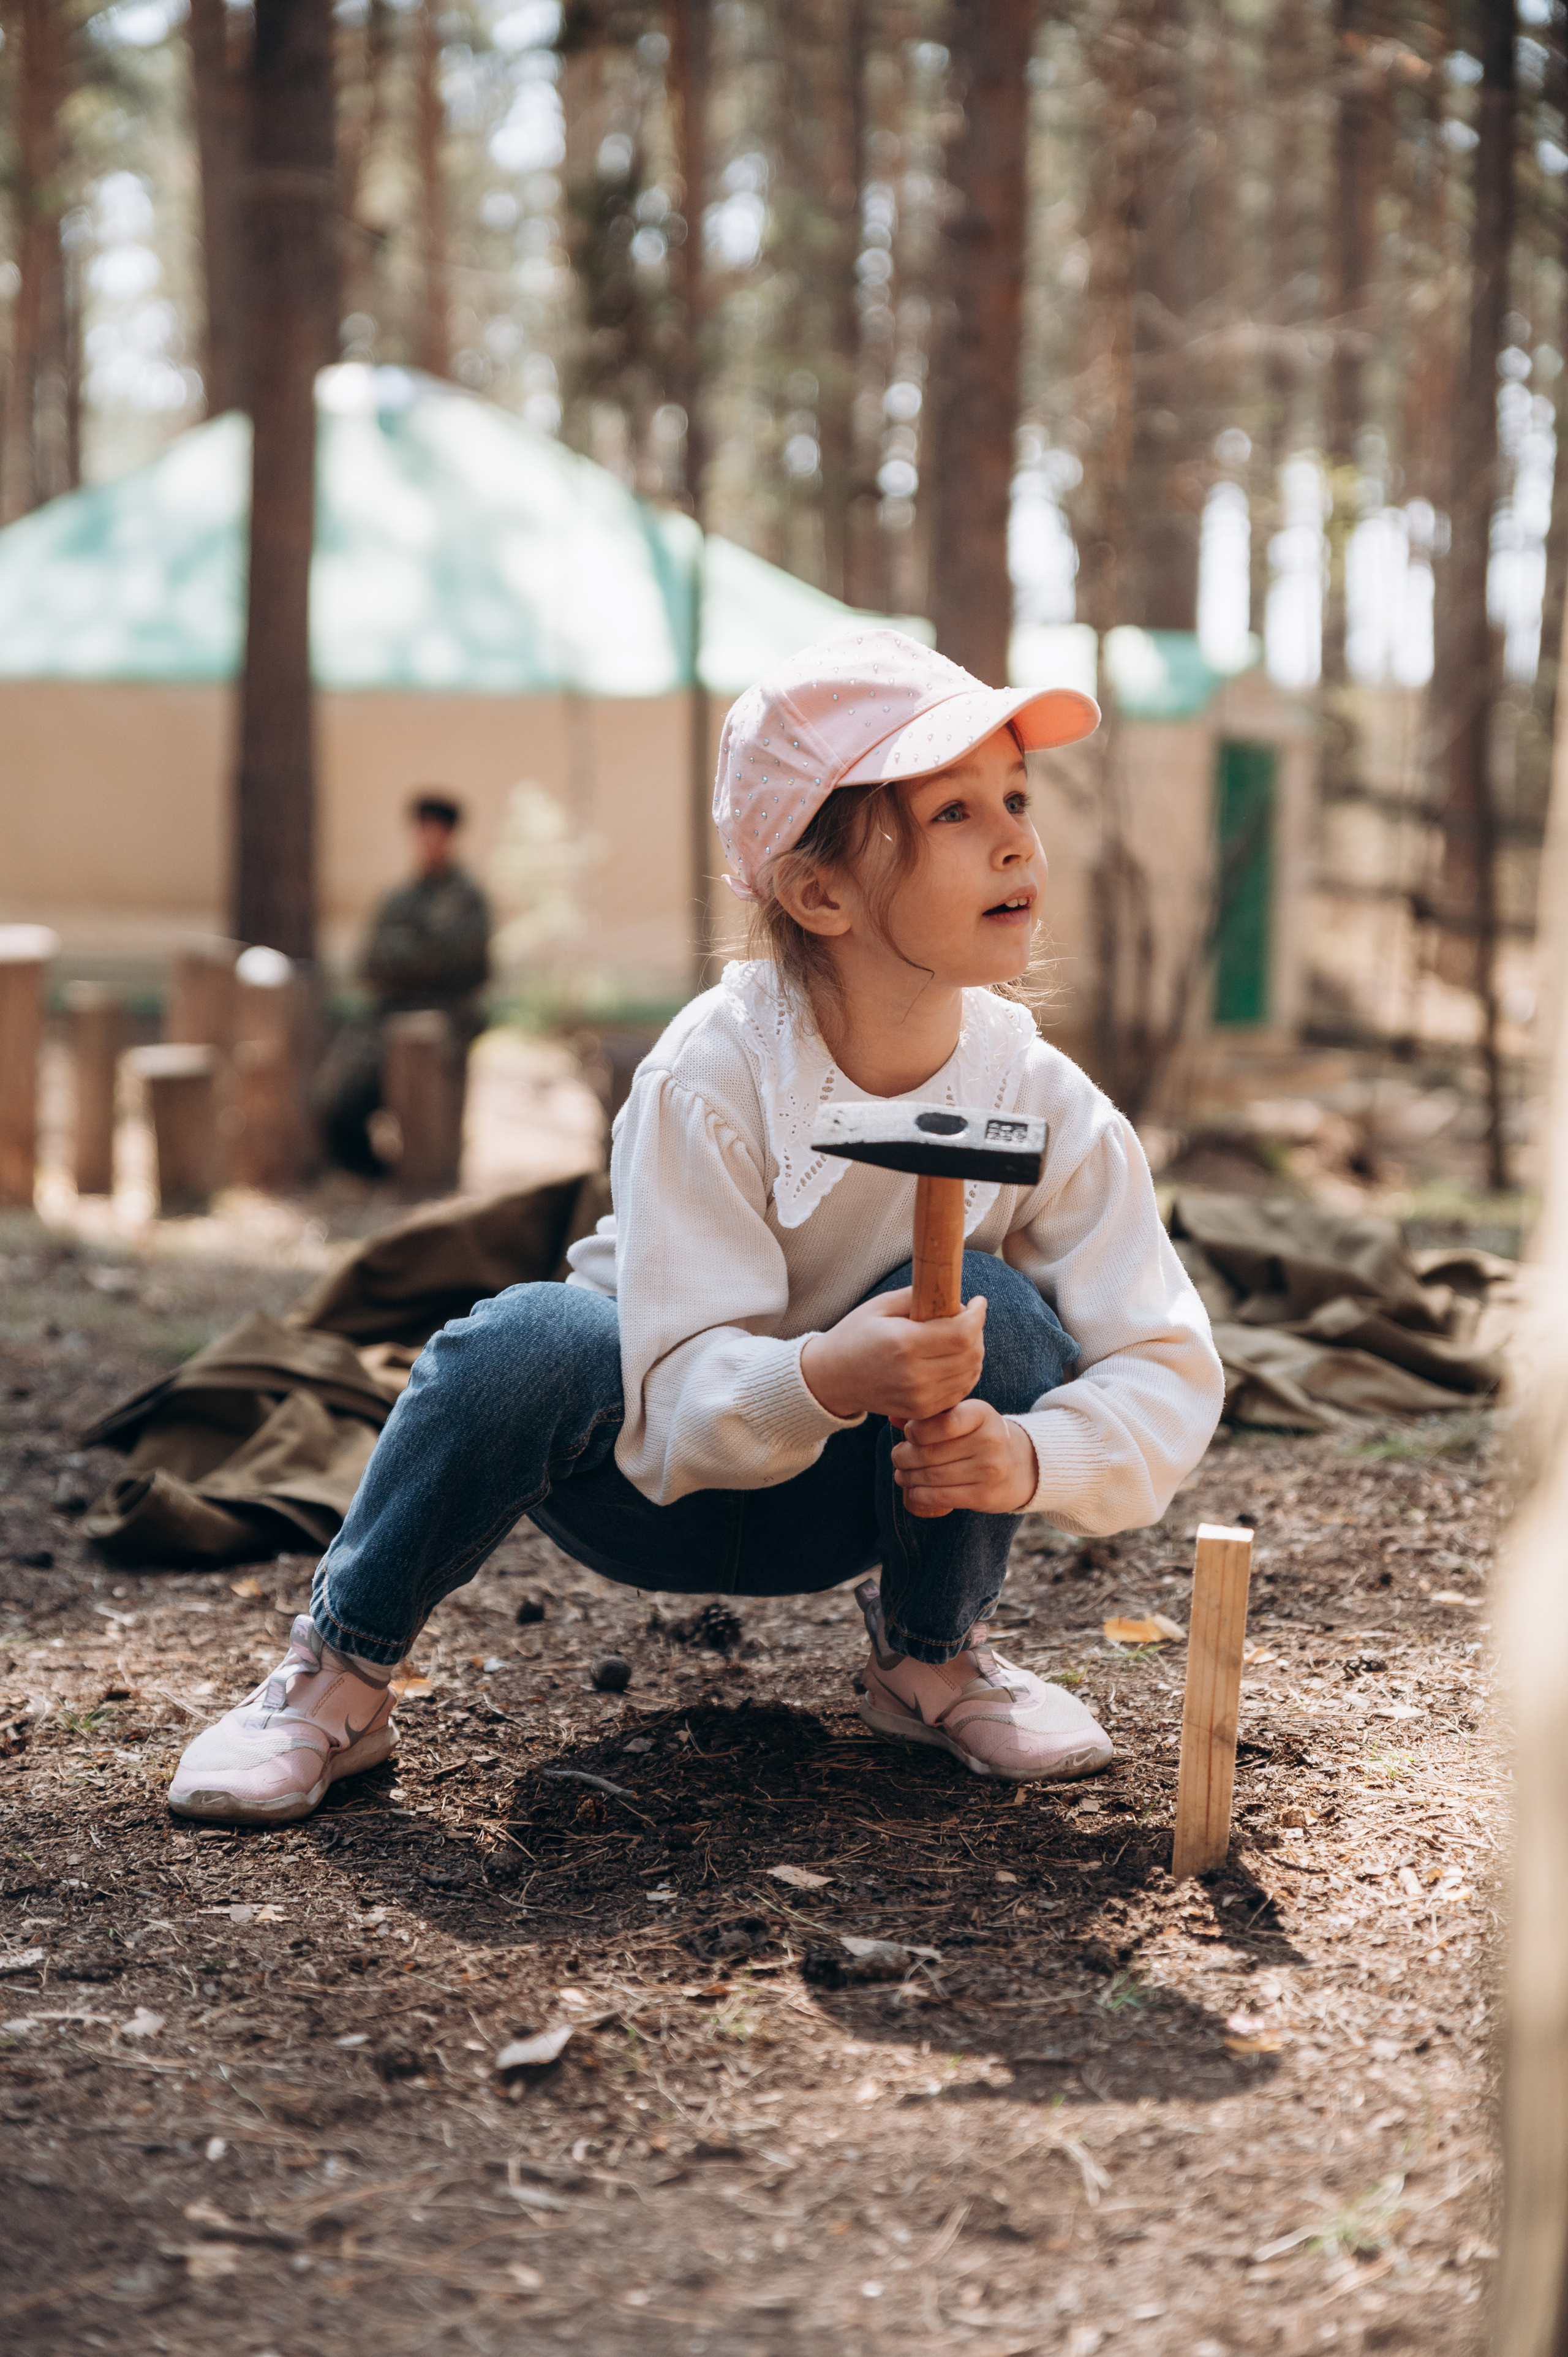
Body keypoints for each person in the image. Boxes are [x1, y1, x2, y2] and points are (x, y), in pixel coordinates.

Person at [168, 630, 1225, 1823]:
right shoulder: (712, 1073)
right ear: (816, 890)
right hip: (643, 1480)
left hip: (871, 1495)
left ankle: (931, 1655)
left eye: (1016, 797)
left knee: (1000, 1310)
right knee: (527, 1336)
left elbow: (1166, 1360)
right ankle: (338, 1672)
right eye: (949, 812)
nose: (1017, 837)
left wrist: (1027, 1456)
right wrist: (823, 1369)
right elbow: (667, 1400)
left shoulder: (1037, 1094)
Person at [315, 792, 492, 1176]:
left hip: (444, 1017)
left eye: (437, 830)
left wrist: (407, 954)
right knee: (335, 1096)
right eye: (422, 829)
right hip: (388, 1014)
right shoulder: (399, 897)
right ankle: (370, 1174)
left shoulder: (466, 898)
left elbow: (458, 961)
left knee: (420, 1099)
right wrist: (416, 951)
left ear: (450, 835)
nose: (428, 838)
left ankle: (421, 1174)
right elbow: (367, 963)